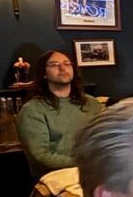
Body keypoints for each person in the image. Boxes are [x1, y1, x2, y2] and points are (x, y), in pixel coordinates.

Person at [16, 50, 102, 178]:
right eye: (54, 64)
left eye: (67, 64)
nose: (62, 68)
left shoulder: (92, 104)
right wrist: (84, 163)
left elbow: (103, 141)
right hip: (57, 179)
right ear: (44, 74)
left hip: (95, 174)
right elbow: (41, 157)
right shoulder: (32, 110)